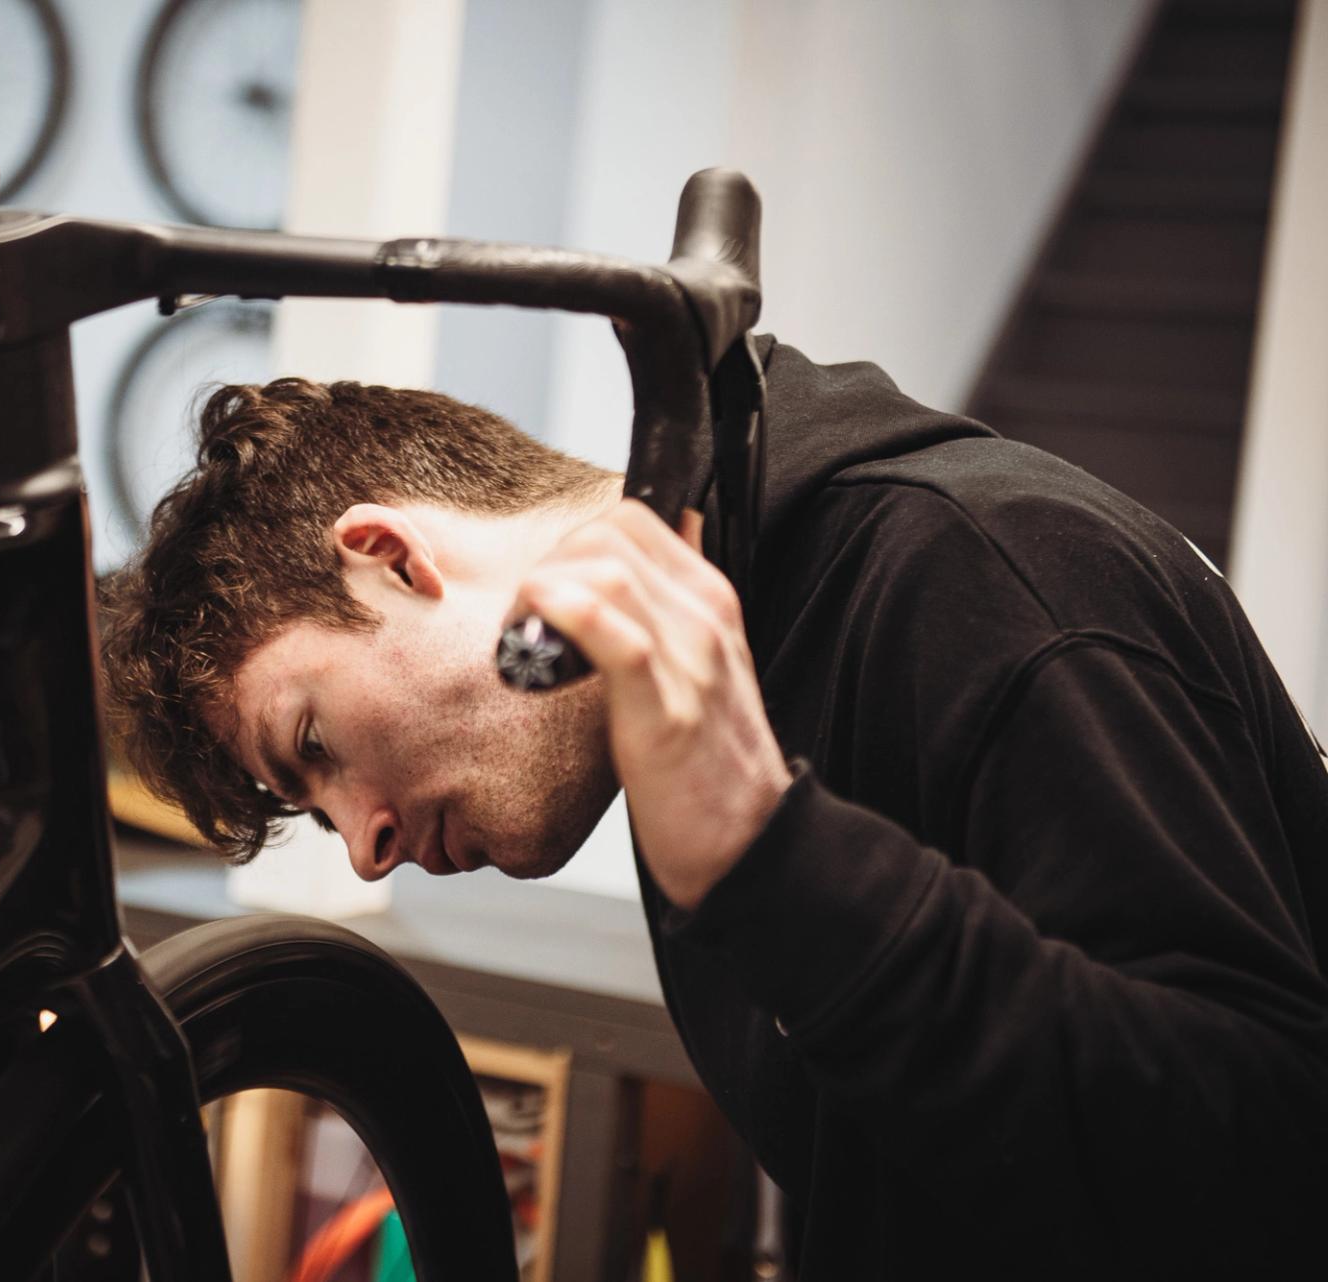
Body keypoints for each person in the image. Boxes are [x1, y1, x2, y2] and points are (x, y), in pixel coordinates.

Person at [100, 338, 1328, 1278]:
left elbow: (1271, 1174)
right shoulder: (683, 735)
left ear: (394, 557)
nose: (367, 847)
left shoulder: (978, 573)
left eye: (313, 743)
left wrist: (778, 857)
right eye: (318, 809)